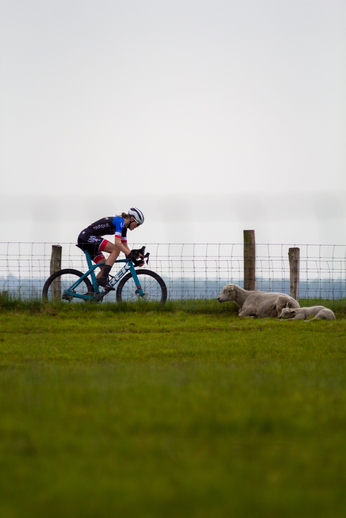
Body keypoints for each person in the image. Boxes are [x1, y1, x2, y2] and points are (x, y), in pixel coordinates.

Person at [77, 207, 145, 289]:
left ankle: (92, 292)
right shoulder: (120, 221)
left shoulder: (124, 228)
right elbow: (117, 243)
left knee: (104, 268)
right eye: (138, 224)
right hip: (86, 237)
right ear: (131, 219)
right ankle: (103, 279)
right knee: (115, 250)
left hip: (87, 239)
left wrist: (133, 259)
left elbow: (124, 245)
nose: (137, 226)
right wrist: (130, 254)